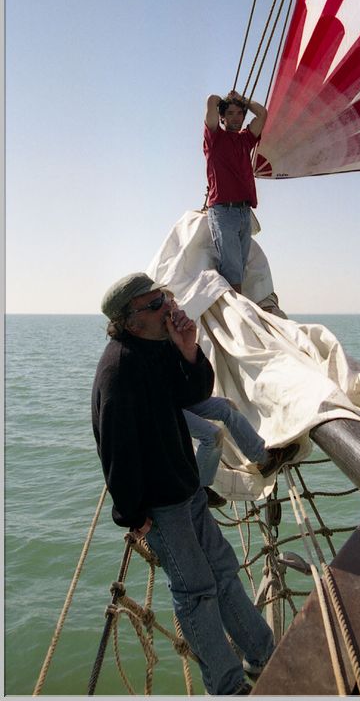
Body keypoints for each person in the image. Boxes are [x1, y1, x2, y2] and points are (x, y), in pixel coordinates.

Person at [91, 272, 274, 695]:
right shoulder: (118, 369)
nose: (167, 309)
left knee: (224, 572)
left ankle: (262, 651)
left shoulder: (154, 350)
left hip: (187, 490)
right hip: (162, 508)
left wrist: (188, 350)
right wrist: (133, 517)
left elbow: (192, 391)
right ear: (131, 318)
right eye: (156, 305)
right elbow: (114, 449)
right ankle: (228, 687)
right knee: (196, 593)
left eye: (164, 299)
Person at [204, 89, 267, 293]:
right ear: (222, 118)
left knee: (239, 268)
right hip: (223, 211)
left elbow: (262, 114)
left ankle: (238, 310)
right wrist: (224, 101)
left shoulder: (245, 140)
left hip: (243, 212)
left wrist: (243, 101)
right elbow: (211, 101)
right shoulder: (214, 138)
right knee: (232, 271)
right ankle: (238, 317)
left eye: (239, 113)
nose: (235, 117)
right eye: (230, 113)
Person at [186, 396, 300, 508]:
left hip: (177, 398)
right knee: (212, 436)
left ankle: (263, 459)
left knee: (226, 407)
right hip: (169, 409)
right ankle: (199, 490)